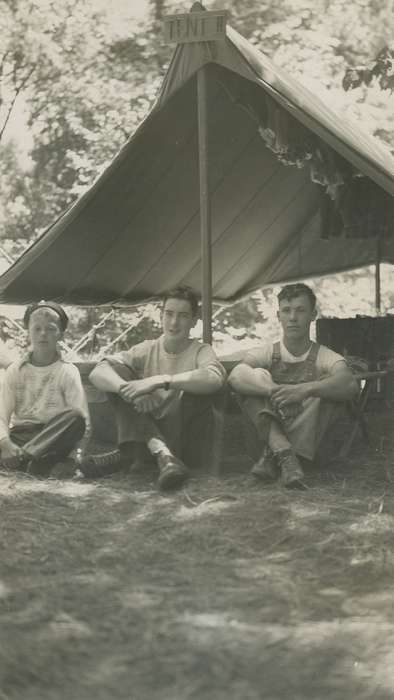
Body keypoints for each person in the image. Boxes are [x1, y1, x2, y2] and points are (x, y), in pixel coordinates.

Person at [87, 286, 226, 490]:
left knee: (198, 391)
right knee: (117, 374)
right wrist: (130, 391)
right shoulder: (148, 348)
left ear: (194, 320)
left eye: (183, 316)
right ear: (161, 315)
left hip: (184, 438)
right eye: (168, 314)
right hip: (151, 434)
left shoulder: (201, 351)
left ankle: (131, 456)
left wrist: (162, 380)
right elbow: (97, 372)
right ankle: (160, 454)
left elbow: (214, 379)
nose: (173, 322)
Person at [228, 283, 359, 488]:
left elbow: (350, 383)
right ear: (278, 315)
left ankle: (276, 455)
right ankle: (282, 450)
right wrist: (273, 391)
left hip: (307, 452)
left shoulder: (324, 355)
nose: (293, 318)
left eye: (300, 310)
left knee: (325, 383)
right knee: (255, 377)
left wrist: (304, 390)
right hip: (263, 443)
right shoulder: (267, 352)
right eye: (287, 311)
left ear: (313, 315)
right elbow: (235, 376)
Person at [0, 301, 89, 477]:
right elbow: (1, 414)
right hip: (20, 436)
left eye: (50, 329)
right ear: (28, 333)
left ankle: (24, 459)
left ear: (61, 335)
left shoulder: (68, 371)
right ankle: (36, 463)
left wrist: (74, 457)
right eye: (37, 328)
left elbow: (84, 423)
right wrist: (6, 444)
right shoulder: (15, 370)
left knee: (76, 417)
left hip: (54, 436)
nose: (43, 334)